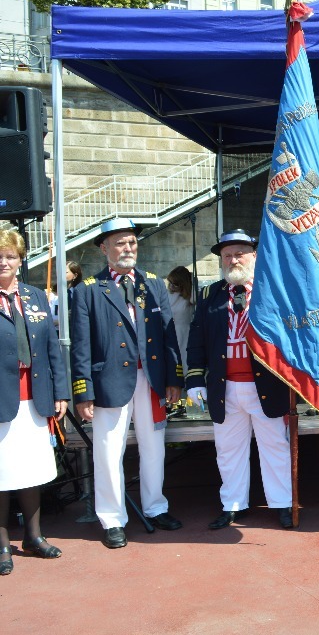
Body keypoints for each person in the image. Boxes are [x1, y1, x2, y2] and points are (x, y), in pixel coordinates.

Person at [70, 218, 185, 549]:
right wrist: (83, 391)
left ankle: (155, 507)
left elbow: (168, 335)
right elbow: (81, 346)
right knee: (108, 451)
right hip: (109, 382)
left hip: (150, 381)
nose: (128, 248)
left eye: (132, 242)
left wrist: (174, 377)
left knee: (154, 448)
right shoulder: (88, 289)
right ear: (104, 248)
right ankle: (112, 518)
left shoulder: (153, 284)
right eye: (120, 243)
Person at [186, 230, 295, 529]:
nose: (233, 260)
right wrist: (195, 379)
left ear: (254, 256)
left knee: (274, 447)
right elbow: (197, 340)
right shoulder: (211, 295)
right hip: (225, 387)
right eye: (227, 255)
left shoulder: (271, 291)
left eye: (239, 254)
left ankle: (282, 503)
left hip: (267, 385)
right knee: (228, 450)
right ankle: (233, 504)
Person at [0, 227, 70, 576]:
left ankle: (33, 536)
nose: (3, 262)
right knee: (1, 474)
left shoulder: (35, 296)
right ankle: (1, 546)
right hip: (1, 399)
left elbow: (51, 348)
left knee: (30, 471)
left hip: (35, 396)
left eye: (10, 256)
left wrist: (61, 391)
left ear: (20, 259)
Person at [166, 267, 195, 377]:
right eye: (170, 283)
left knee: (184, 362)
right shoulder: (167, 295)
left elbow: (196, 297)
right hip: (169, 332)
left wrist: (192, 279)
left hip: (184, 333)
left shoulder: (189, 297)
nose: (172, 286)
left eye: (176, 284)